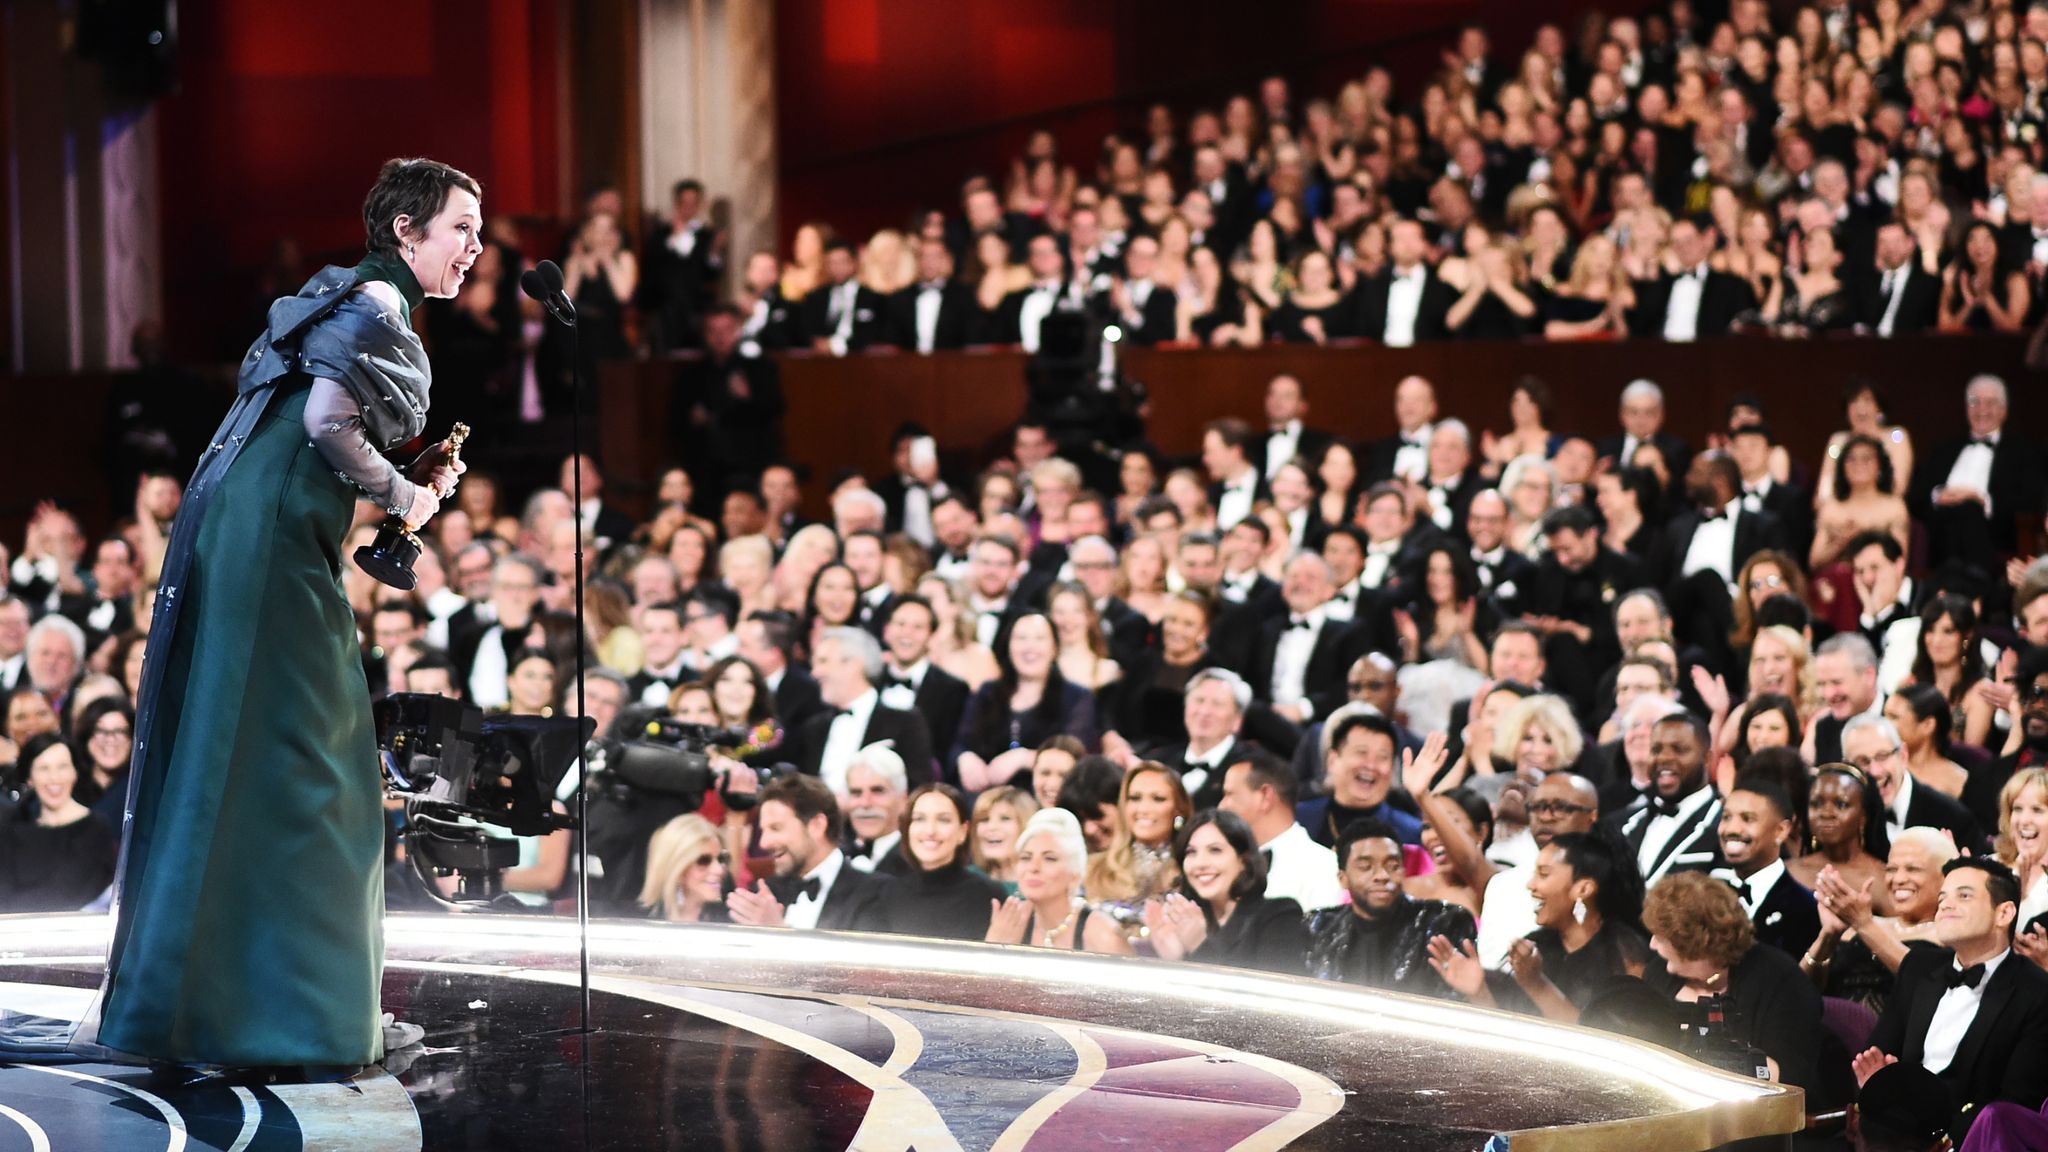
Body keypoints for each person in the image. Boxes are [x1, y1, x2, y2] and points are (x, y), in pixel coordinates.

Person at [89, 159, 478, 1076]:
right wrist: (405, 498)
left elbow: (317, 428)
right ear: (407, 231)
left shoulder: (349, 294)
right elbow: (328, 427)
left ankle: (223, 1010)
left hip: (252, 527)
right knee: (324, 773)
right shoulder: (380, 305)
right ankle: (299, 1020)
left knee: (258, 759)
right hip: (269, 545)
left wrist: (398, 481)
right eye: (461, 226)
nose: (475, 247)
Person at [1858, 859, 2048, 1144]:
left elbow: (2013, 1107)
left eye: (1964, 895)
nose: (1945, 905)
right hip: (1893, 1136)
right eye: (1942, 897)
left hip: (1973, 1141)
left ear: (2004, 913)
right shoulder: (1918, 967)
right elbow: (1876, 1058)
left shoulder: (2037, 992)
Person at [1429, 829, 1649, 1023]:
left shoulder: (1625, 953)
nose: (1530, 885)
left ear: (1583, 889)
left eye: (1543, 874)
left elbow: (1606, 1044)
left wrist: (1536, 984)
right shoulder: (1537, 947)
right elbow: (1512, 1041)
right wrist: (1479, 992)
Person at [1643, 872, 1829, 1094]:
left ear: (1694, 942)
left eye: (1661, 937)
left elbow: (1791, 1080)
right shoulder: (1659, 973)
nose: (1652, 945)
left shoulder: (1782, 982)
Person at [1306, 816, 1477, 995]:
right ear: (1343, 879)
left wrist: (1478, 993)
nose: (1382, 875)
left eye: (1393, 866)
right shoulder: (1318, 927)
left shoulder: (1444, 923)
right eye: (1365, 866)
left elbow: (1463, 1002)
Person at [1805, 827, 1957, 1014]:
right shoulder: (1860, 923)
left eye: (1913, 869)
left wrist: (1865, 926)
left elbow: (1925, 985)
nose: (1898, 879)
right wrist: (1828, 936)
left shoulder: (1952, 934)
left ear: (1945, 878)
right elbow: (1799, 990)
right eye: (1891, 869)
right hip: (1828, 1034)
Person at [726, 774, 894, 932]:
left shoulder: (877, 893)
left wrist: (778, 930)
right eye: (763, 831)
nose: (764, 843)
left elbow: (860, 961)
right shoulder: (767, 893)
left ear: (817, 825)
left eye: (776, 828)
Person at [1147, 809, 1309, 973]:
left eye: (1215, 850)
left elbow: (1272, 993)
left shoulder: (1279, 915)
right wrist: (1176, 959)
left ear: (1243, 861)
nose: (1200, 863)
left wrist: (1200, 946)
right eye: (1191, 852)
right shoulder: (1189, 921)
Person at [985, 807, 1134, 955]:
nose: (1033, 867)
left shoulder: (1103, 934)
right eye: (1026, 857)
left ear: (1075, 876)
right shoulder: (1011, 922)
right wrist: (994, 950)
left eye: (1049, 858)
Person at [874, 784, 1007, 941]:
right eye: (919, 819)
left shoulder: (989, 897)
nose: (930, 831)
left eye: (943, 820)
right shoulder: (884, 895)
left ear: (963, 831)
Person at [0, 734, 116, 913]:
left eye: (62, 767)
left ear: (74, 772)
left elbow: (64, 896)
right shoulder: (12, 829)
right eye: (44, 768)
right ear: (30, 778)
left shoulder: (95, 829)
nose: (54, 778)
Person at [1217, 751, 1345, 913]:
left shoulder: (1324, 867)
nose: (1222, 806)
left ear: (1265, 796)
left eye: (1229, 795)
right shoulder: (1223, 863)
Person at [1714, 777, 1822, 960]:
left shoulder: (1806, 909)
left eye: (1747, 819)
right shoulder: (1706, 891)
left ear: (1781, 831)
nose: (1731, 828)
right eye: (1726, 817)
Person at [1084, 761, 1192, 908]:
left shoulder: (1191, 871)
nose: (1143, 809)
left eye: (1158, 799)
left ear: (1179, 809)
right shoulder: (1094, 870)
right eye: (1135, 798)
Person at [638, 813, 732, 923]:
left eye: (721, 858)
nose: (719, 870)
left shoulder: (731, 915)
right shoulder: (638, 921)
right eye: (703, 861)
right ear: (676, 868)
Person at [969, 785, 1038, 891]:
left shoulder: (1044, 885)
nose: (991, 827)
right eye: (984, 819)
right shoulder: (967, 879)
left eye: (1005, 819)